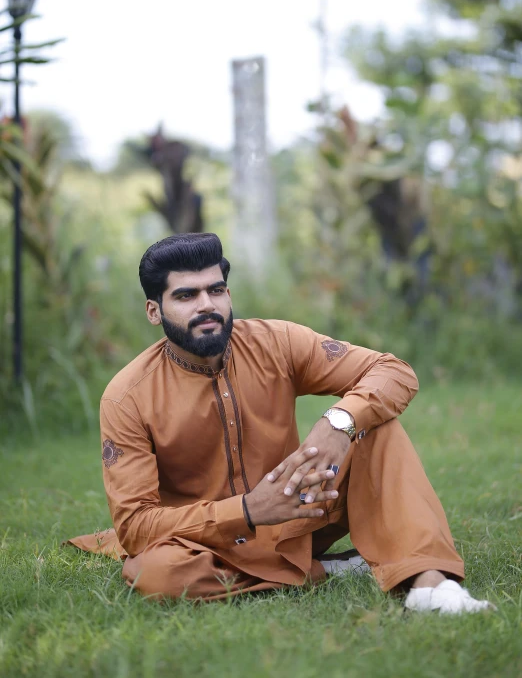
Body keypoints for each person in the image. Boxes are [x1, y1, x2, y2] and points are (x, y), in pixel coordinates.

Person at [68, 233, 493, 614]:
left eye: (216, 290)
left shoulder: (277, 343)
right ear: (153, 311)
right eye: (186, 296)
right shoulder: (126, 397)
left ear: (229, 293)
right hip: (205, 543)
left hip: (298, 508)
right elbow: (136, 526)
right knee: (156, 575)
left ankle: (430, 585)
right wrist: (250, 510)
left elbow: (393, 372)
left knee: (374, 425)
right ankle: (328, 569)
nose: (206, 306)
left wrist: (338, 422)